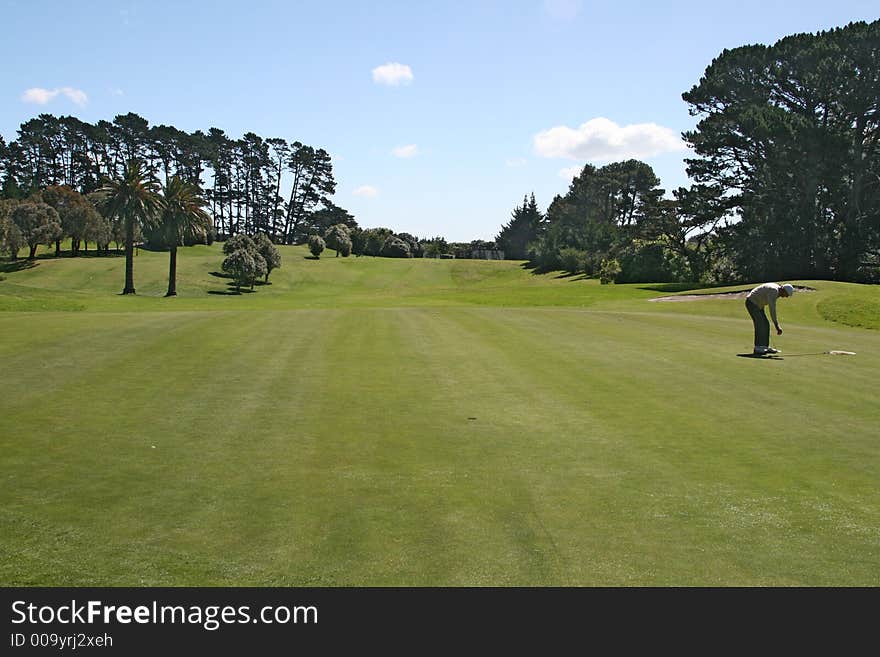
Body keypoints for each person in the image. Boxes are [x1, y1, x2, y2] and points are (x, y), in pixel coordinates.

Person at [745, 283, 795, 355]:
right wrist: (777, 325)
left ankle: (764, 347)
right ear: (783, 290)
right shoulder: (774, 291)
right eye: (786, 294)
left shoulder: (777, 290)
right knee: (760, 324)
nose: (786, 297)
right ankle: (758, 348)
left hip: (758, 305)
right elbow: (772, 309)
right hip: (752, 303)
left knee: (765, 324)